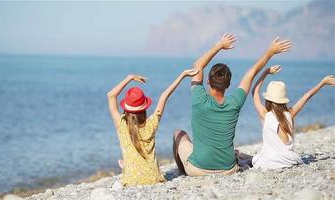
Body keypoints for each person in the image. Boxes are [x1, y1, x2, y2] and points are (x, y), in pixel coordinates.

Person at [173, 33, 292, 176]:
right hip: (228, 169)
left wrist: (220, 45)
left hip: (198, 169)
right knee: (234, 152)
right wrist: (270, 52)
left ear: (208, 82)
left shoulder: (199, 99)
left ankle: (183, 171)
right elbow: (251, 73)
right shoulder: (235, 102)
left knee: (178, 133)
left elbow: (197, 66)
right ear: (228, 85)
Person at [107, 69, 198, 186]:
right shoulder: (152, 124)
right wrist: (182, 75)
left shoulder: (121, 124)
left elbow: (111, 95)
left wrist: (129, 78)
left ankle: (126, 165)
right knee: (131, 159)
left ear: (126, 108)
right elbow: (165, 96)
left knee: (128, 160)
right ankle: (126, 164)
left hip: (131, 181)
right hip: (154, 178)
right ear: (144, 108)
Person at [251, 65, 335, 169]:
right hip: (289, 161)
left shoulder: (265, 114)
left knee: (248, 157)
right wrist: (322, 83)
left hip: (270, 162)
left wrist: (266, 72)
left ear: (268, 100)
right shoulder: (290, 113)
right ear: (283, 99)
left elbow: (254, 92)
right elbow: (307, 96)